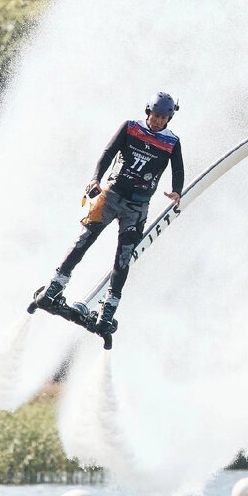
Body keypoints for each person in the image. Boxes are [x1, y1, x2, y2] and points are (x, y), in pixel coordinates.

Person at [39, 91, 184, 329]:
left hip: (137, 207)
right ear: (148, 112)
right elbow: (108, 153)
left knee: (124, 257)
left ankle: (108, 309)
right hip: (111, 195)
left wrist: (176, 190)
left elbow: (177, 170)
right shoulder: (130, 127)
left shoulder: (172, 142)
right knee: (84, 239)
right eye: (155, 115)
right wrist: (96, 179)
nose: (157, 121)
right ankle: (57, 284)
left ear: (169, 119)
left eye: (162, 118)